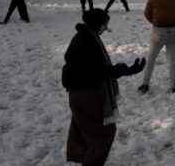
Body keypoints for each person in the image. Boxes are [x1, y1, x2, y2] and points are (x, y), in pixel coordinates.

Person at [62, 9, 146, 166]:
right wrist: (114, 71)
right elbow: (88, 72)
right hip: (86, 95)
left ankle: (84, 158)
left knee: (86, 130)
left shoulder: (88, 37)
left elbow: (94, 69)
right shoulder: (85, 41)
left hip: (85, 93)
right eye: (104, 25)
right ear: (96, 24)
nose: (106, 29)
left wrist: (124, 71)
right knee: (101, 132)